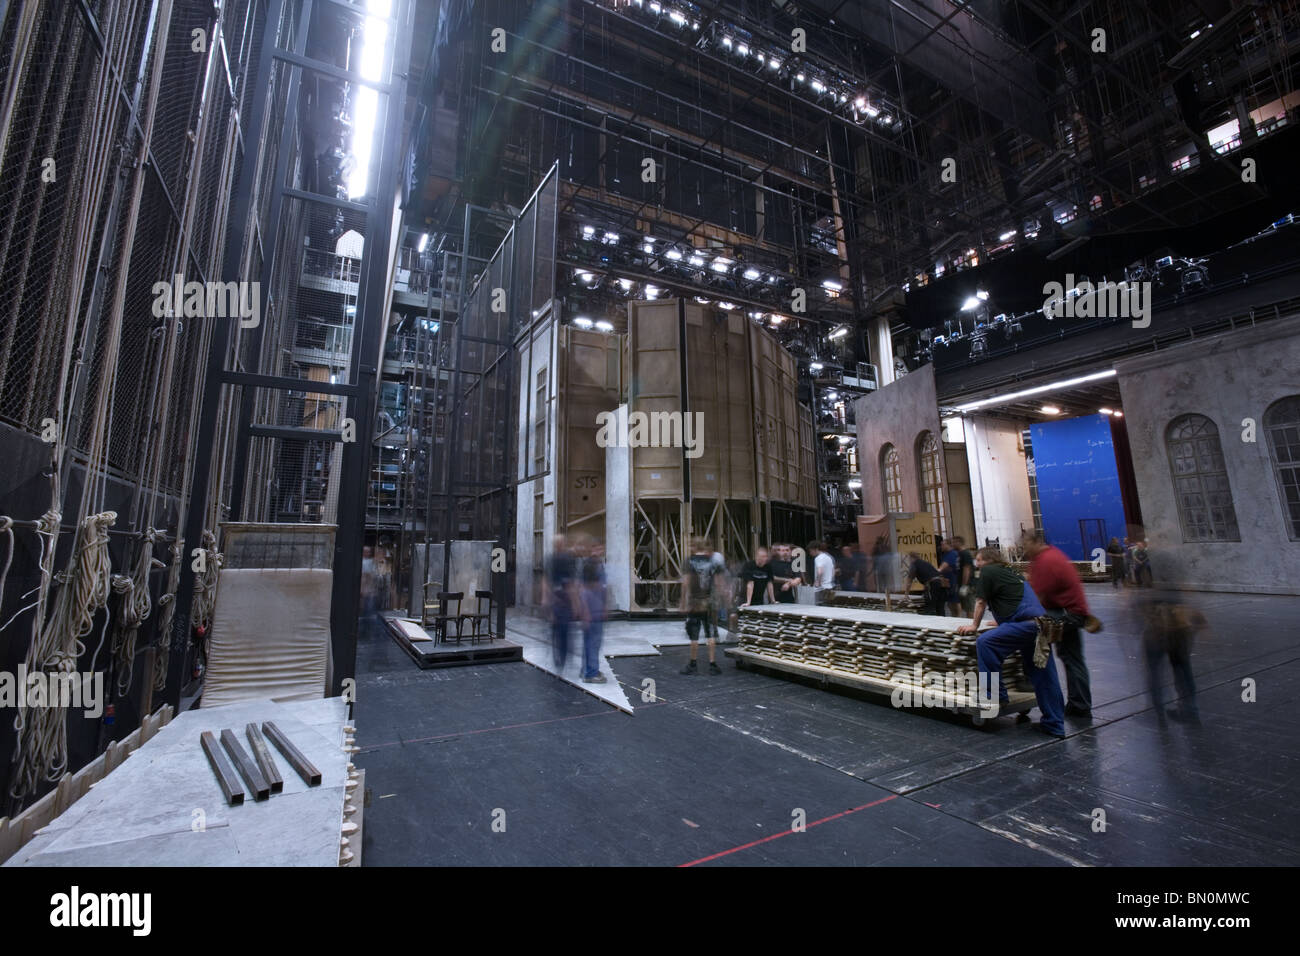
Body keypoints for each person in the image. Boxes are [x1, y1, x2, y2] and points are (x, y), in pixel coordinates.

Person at [957, 547, 1066, 737]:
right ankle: (1055, 724)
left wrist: (974, 625)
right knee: (1044, 677)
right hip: (1040, 625)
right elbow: (1014, 597)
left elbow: (981, 601)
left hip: (1025, 626)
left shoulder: (989, 571)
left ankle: (996, 695)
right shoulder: (1011, 570)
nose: (977, 564)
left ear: (986, 560)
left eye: (979, 560)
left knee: (985, 642)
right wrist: (1002, 621)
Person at [1022, 531, 1093, 717]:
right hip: (1072, 613)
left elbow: (1038, 599)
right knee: (1072, 657)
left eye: (1026, 544)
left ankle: (1038, 698)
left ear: (1037, 542)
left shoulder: (1046, 561)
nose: (1024, 549)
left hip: (1066, 615)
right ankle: (1080, 703)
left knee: (1036, 652)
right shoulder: (1049, 556)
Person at [1139, 594, 1205, 723]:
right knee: (1182, 669)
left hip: (1159, 632)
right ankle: (1190, 709)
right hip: (1179, 630)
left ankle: (1159, 710)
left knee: (1156, 672)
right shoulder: (1175, 601)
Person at [680, 537, 723, 675]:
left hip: (695, 602)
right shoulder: (712, 561)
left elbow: (686, 583)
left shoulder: (689, 561)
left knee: (694, 634)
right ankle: (712, 664)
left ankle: (693, 664)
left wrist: (683, 601)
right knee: (710, 632)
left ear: (694, 546)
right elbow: (717, 583)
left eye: (691, 545)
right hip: (709, 602)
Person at [544, 535, 582, 671]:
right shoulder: (552, 560)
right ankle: (559, 656)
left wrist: (575, 603)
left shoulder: (566, 559)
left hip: (564, 599)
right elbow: (547, 580)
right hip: (557, 599)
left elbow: (572, 583)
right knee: (557, 630)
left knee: (564, 630)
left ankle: (562, 656)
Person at [580, 541, 607, 683]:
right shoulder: (589, 566)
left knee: (591, 642)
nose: (599, 551)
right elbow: (583, 590)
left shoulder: (599, 564)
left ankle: (588, 669)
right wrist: (585, 611)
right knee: (593, 642)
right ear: (591, 550)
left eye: (601, 548)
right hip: (591, 610)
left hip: (597, 609)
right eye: (596, 548)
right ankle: (591, 673)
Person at [902, 552, 947, 616]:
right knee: (940, 607)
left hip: (932, 585)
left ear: (911, 558)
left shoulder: (914, 564)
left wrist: (906, 595)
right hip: (941, 584)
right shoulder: (925, 563)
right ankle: (942, 623)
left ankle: (931, 624)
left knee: (930, 608)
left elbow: (909, 581)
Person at [938, 538, 961, 616]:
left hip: (953, 580)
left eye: (943, 544)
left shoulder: (952, 554)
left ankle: (959, 617)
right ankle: (954, 617)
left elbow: (942, 567)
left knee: (955, 601)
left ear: (948, 545)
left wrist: (936, 571)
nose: (941, 546)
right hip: (947, 580)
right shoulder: (945, 554)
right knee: (950, 602)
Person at [954, 536, 976, 615]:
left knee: (969, 608)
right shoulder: (959, 554)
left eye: (954, 542)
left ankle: (973, 625)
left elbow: (967, 569)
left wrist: (964, 585)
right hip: (962, 584)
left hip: (968, 585)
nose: (952, 544)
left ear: (959, 542)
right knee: (966, 608)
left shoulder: (965, 553)